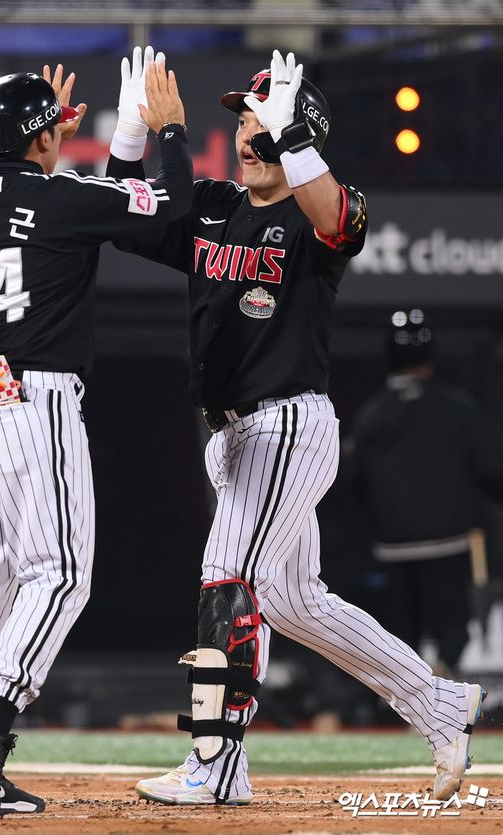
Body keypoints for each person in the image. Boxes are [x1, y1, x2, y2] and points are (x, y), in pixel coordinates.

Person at [107, 50, 485, 806]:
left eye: (260, 122)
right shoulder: (214, 204)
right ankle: (439, 703)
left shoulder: (316, 212)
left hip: (286, 425)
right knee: (293, 601)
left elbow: (339, 218)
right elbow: (124, 219)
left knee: (228, 577)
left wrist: (294, 138)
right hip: (234, 437)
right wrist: (128, 137)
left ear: (294, 131)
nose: (246, 136)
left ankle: (215, 767)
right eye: (243, 123)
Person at [0, 51, 192, 820]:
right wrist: (164, 128)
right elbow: (169, 207)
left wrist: (49, 139)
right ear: (42, 138)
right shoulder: (61, 199)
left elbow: (33, 194)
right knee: (60, 572)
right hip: (27, 398)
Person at [345, 309, 503, 678]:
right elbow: (492, 468)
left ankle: (411, 697)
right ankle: (443, 682)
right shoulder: (457, 408)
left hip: (393, 545)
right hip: (451, 542)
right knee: (452, 628)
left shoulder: (371, 415)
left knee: (402, 637)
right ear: (430, 358)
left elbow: (353, 481)